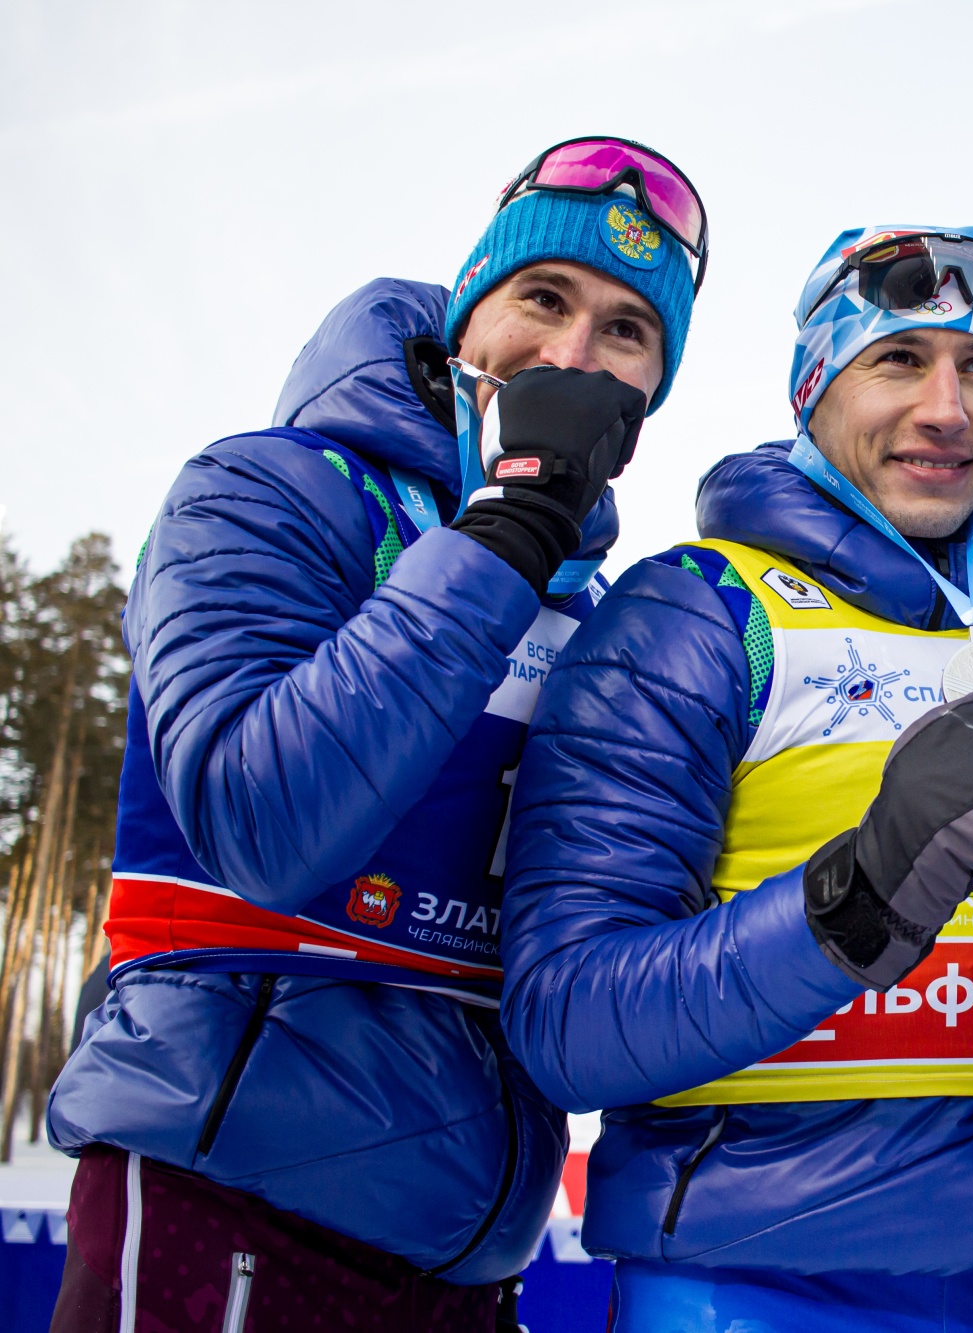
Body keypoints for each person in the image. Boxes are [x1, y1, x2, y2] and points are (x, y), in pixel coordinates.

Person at [46, 136, 703, 1330]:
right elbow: (263, 820)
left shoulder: (598, 614)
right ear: (467, 314)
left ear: (648, 395)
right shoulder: (270, 489)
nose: (571, 352)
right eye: (542, 298)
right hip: (224, 1205)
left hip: (465, 1261)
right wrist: (506, 529)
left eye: (624, 331)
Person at [499, 224, 973, 1331]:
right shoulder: (698, 611)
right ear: (814, 385)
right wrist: (859, 895)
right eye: (899, 360)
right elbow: (567, 1022)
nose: (946, 409)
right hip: (744, 1294)